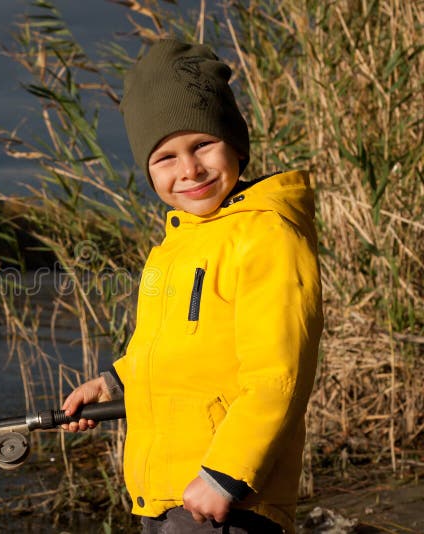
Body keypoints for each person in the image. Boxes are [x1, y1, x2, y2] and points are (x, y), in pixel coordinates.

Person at [61, 39, 323, 534]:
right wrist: (113, 383)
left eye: (203, 144)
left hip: (228, 499)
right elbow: (175, 348)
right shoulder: (178, 244)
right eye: (165, 157)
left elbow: (280, 375)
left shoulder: (267, 235)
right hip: (166, 492)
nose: (189, 170)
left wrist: (225, 475)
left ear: (235, 143)